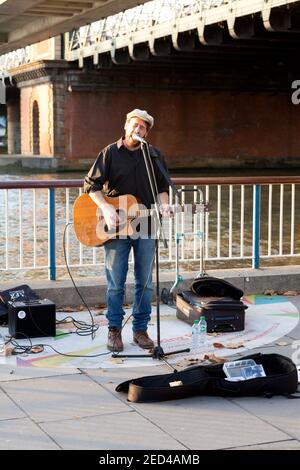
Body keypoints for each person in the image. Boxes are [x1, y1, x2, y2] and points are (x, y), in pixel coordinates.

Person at [83, 109, 172, 352]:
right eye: (134, 125)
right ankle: (114, 330)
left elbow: (162, 188)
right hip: (116, 226)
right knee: (115, 283)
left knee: (145, 282)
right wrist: (106, 209)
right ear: (125, 126)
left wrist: (164, 205)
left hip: (146, 224)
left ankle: (140, 330)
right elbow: (91, 186)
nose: (138, 130)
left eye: (143, 128)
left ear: (147, 132)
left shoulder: (154, 156)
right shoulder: (110, 153)